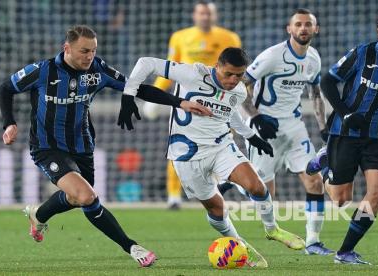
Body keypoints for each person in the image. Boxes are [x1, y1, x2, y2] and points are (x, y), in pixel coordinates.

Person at [0, 25, 211, 267]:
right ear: (66, 48)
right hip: (47, 147)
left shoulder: (98, 70)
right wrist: (9, 123)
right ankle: (132, 246)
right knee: (86, 195)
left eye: (93, 50)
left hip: (82, 146)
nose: (89, 56)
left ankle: (38, 215)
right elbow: (6, 88)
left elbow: (137, 87)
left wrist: (180, 102)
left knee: (78, 197)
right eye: (84, 51)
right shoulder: (43, 71)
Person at [118, 47, 306, 268]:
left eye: (239, 75)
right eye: (229, 74)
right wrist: (129, 94)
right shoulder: (193, 74)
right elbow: (145, 62)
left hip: (221, 145)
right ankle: (241, 245)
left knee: (257, 186)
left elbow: (230, 113)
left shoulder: (239, 91)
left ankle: (272, 229)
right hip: (187, 154)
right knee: (217, 209)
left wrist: (253, 137)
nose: (234, 80)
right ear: (217, 66)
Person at [306, 11, 378, 264]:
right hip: (344, 131)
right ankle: (326, 162)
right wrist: (345, 113)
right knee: (341, 199)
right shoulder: (363, 53)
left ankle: (345, 252)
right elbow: (328, 81)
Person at [218, 8, 332, 256]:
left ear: (316, 29)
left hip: (294, 126)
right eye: (298, 24)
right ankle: (233, 182)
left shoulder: (314, 58)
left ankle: (313, 241)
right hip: (264, 127)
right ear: (289, 29)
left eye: (308, 25)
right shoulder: (272, 56)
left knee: (315, 180)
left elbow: (315, 94)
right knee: (263, 191)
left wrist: (323, 128)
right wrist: (256, 118)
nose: (303, 29)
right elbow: (241, 84)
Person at [146, 0, 242, 209]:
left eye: (208, 14)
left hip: (218, 100)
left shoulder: (229, 38)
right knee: (180, 145)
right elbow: (170, 67)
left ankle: (214, 192)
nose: (205, 17)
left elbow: (235, 72)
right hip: (186, 101)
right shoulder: (180, 37)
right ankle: (173, 196)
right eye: (201, 13)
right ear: (195, 15)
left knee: (218, 144)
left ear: (214, 16)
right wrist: (156, 92)